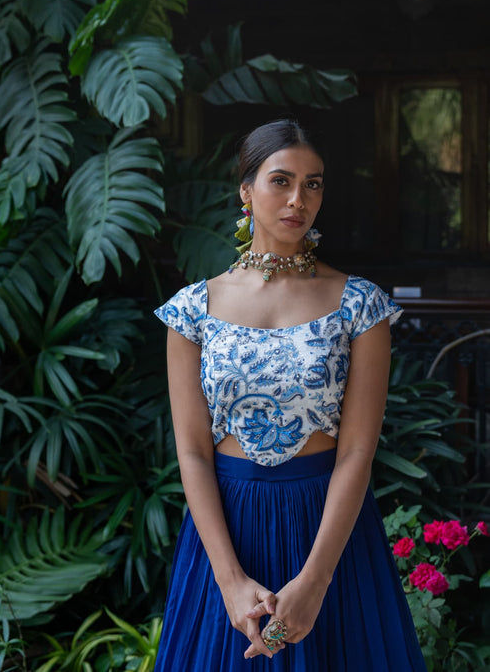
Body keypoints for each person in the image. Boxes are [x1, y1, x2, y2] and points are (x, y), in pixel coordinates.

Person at [154, 119, 426, 670]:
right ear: (246, 191)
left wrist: (316, 579)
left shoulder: (360, 306)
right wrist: (229, 582)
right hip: (228, 532)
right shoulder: (192, 311)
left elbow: (356, 451)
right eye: (281, 181)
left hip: (327, 529)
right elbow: (192, 451)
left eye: (314, 183)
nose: (299, 199)